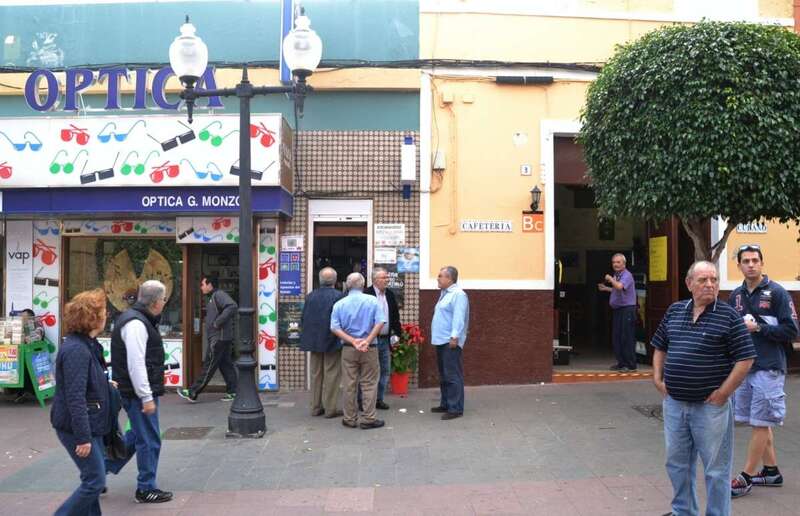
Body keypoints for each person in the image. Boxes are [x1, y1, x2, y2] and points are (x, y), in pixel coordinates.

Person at [651, 261, 755, 516]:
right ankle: (682, 511)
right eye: (703, 280)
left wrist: (723, 394)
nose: (710, 285)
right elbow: (660, 345)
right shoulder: (675, 310)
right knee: (676, 464)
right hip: (675, 404)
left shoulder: (728, 315)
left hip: (711, 408)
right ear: (689, 284)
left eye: (714, 280)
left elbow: (746, 358)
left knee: (716, 469)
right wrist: (657, 378)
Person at [728, 245, 798, 498]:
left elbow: (792, 331)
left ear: (762, 263)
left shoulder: (777, 292)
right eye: (745, 261)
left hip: (769, 367)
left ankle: (745, 477)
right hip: (745, 367)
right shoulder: (735, 295)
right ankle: (771, 472)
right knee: (759, 420)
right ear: (739, 266)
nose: (750, 265)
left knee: (760, 421)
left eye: (755, 260)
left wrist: (758, 328)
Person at [106, 280, 173, 504]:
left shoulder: (139, 319)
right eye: (163, 299)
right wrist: (146, 397)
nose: (164, 303)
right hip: (137, 393)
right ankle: (146, 488)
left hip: (135, 390)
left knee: (136, 435)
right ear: (155, 302)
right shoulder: (136, 324)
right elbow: (136, 364)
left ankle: (98, 472)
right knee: (150, 439)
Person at [50, 289, 110, 516]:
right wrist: (83, 436)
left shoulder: (87, 345)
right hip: (77, 426)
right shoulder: (77, 349)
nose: (106, 316)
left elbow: (85, 385)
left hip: (89, 422)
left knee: (93, 477)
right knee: (95, 480)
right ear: (93, 317)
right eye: (103, 311)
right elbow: (75, 396)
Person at [330, 272, 386, 430]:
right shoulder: (372, 301)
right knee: (369, 383)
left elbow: (334, 327)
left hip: (349, 349)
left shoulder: (340, 304)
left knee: (349, 384)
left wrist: (353, 341)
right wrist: (367, 340)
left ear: (348, 285)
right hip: (370, 348)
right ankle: (368, 418)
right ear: (363, 284)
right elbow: (380, 321)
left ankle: (349, 418)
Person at [177, 275, 238, 402]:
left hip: (218, 339)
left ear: (210, 285)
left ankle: (193, 392)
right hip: (221, 338)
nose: (201, 287)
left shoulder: (218, 295)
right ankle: (233, 392)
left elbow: (232, 306)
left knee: (208, 366)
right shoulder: (213, 297)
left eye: (203, 284)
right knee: (226, 366)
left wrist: (217, 322)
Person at [299, 267, 344, 418]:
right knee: (331, 374)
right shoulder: (339, 296)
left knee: (316, 374)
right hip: (332, 339)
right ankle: (330, 409)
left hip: (314, 341)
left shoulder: (310, 296)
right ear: (335, 280)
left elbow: (303, 318)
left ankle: (315, 407)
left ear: (320, 280)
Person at [430, 266, 469, 420]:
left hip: (449, 341)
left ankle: (455, 408)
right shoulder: (444, 294)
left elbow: (459, 318)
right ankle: (445, 403)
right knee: (444, 375)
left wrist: (454, 337)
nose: (438, 278)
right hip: (441, 340)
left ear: (450, 279)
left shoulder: (458, 295)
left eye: (440, 276)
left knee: (452, 375)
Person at [362, 267, 402, 410]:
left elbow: (395, 317)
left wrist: (398, 335)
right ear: (375, 280)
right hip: (370, 340)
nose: (387, 280)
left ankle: (379, 399)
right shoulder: (366, 294)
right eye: (384, 278)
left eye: (387, 278)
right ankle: (364, 401)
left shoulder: (390, 295)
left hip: (385, 340)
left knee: (384, 370)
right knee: (368, 371)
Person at [597, 253, 638, 372]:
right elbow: (617, 290)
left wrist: (610, 279)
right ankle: (621, 363)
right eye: (614, 262)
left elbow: (620, 287)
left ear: (624, 263)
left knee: (626, 337)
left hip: (627, 310)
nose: (615, 264)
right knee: (617, 337)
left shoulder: (627, 275)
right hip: (618, 310)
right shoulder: (617, 275)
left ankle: (630, 365)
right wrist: (606, 289)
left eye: (618, 262)